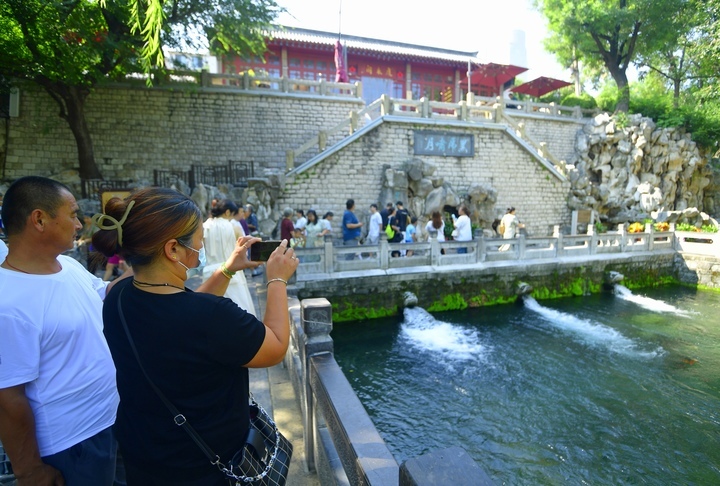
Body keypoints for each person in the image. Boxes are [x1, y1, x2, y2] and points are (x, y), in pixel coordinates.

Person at [93, 187, 298, 485]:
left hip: (146, 457)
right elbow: (276, 346)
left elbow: (185, 315)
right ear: (173, 249)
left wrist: (228, 269)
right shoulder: (212, 316)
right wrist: (277, 279)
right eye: (197, 236)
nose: (201, 243)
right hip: (206, 467)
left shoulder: (118, 296)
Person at [0, 176, 123, 485]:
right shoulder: (7, 302)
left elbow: (106, 293)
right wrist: (29, 470)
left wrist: (150, 262)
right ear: (39, 219)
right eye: (72, 214)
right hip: (73, 444)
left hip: (112, 420)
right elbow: (8, 397)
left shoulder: (68, 267)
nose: (80, 224)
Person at [203, 199, 257, 317]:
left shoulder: (204, 227)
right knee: (239, 311)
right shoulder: (234, 227)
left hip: (209, 273)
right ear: (227, 212)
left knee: (211, 313)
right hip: (231, 271)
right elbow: (244, 248)